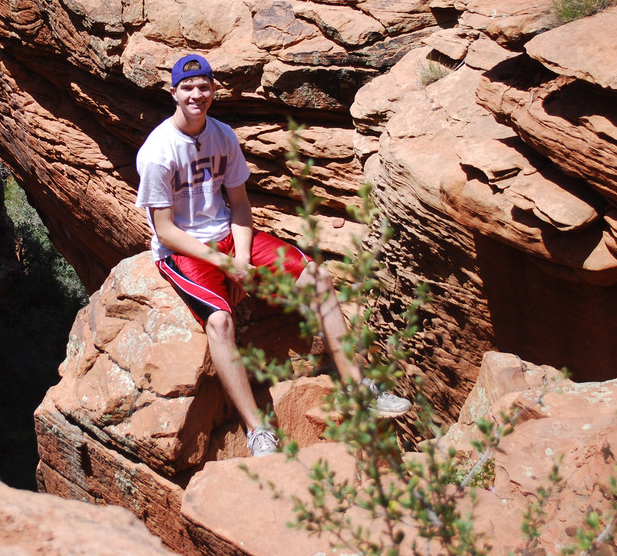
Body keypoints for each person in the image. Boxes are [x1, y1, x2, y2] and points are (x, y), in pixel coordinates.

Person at [135, 53, 410, 457]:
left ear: (213, 91)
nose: (197, 95)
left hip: (228, 235)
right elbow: (167, 231)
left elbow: (241, 205)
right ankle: (258, 430)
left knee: (317, 276)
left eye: (204, 87)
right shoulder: (158, 151)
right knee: (221, 322)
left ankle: (357, 387)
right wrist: (228, 266)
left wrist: (242, 257)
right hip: (185, 250)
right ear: (173, 92)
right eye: (188, 88)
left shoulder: (223, 135)